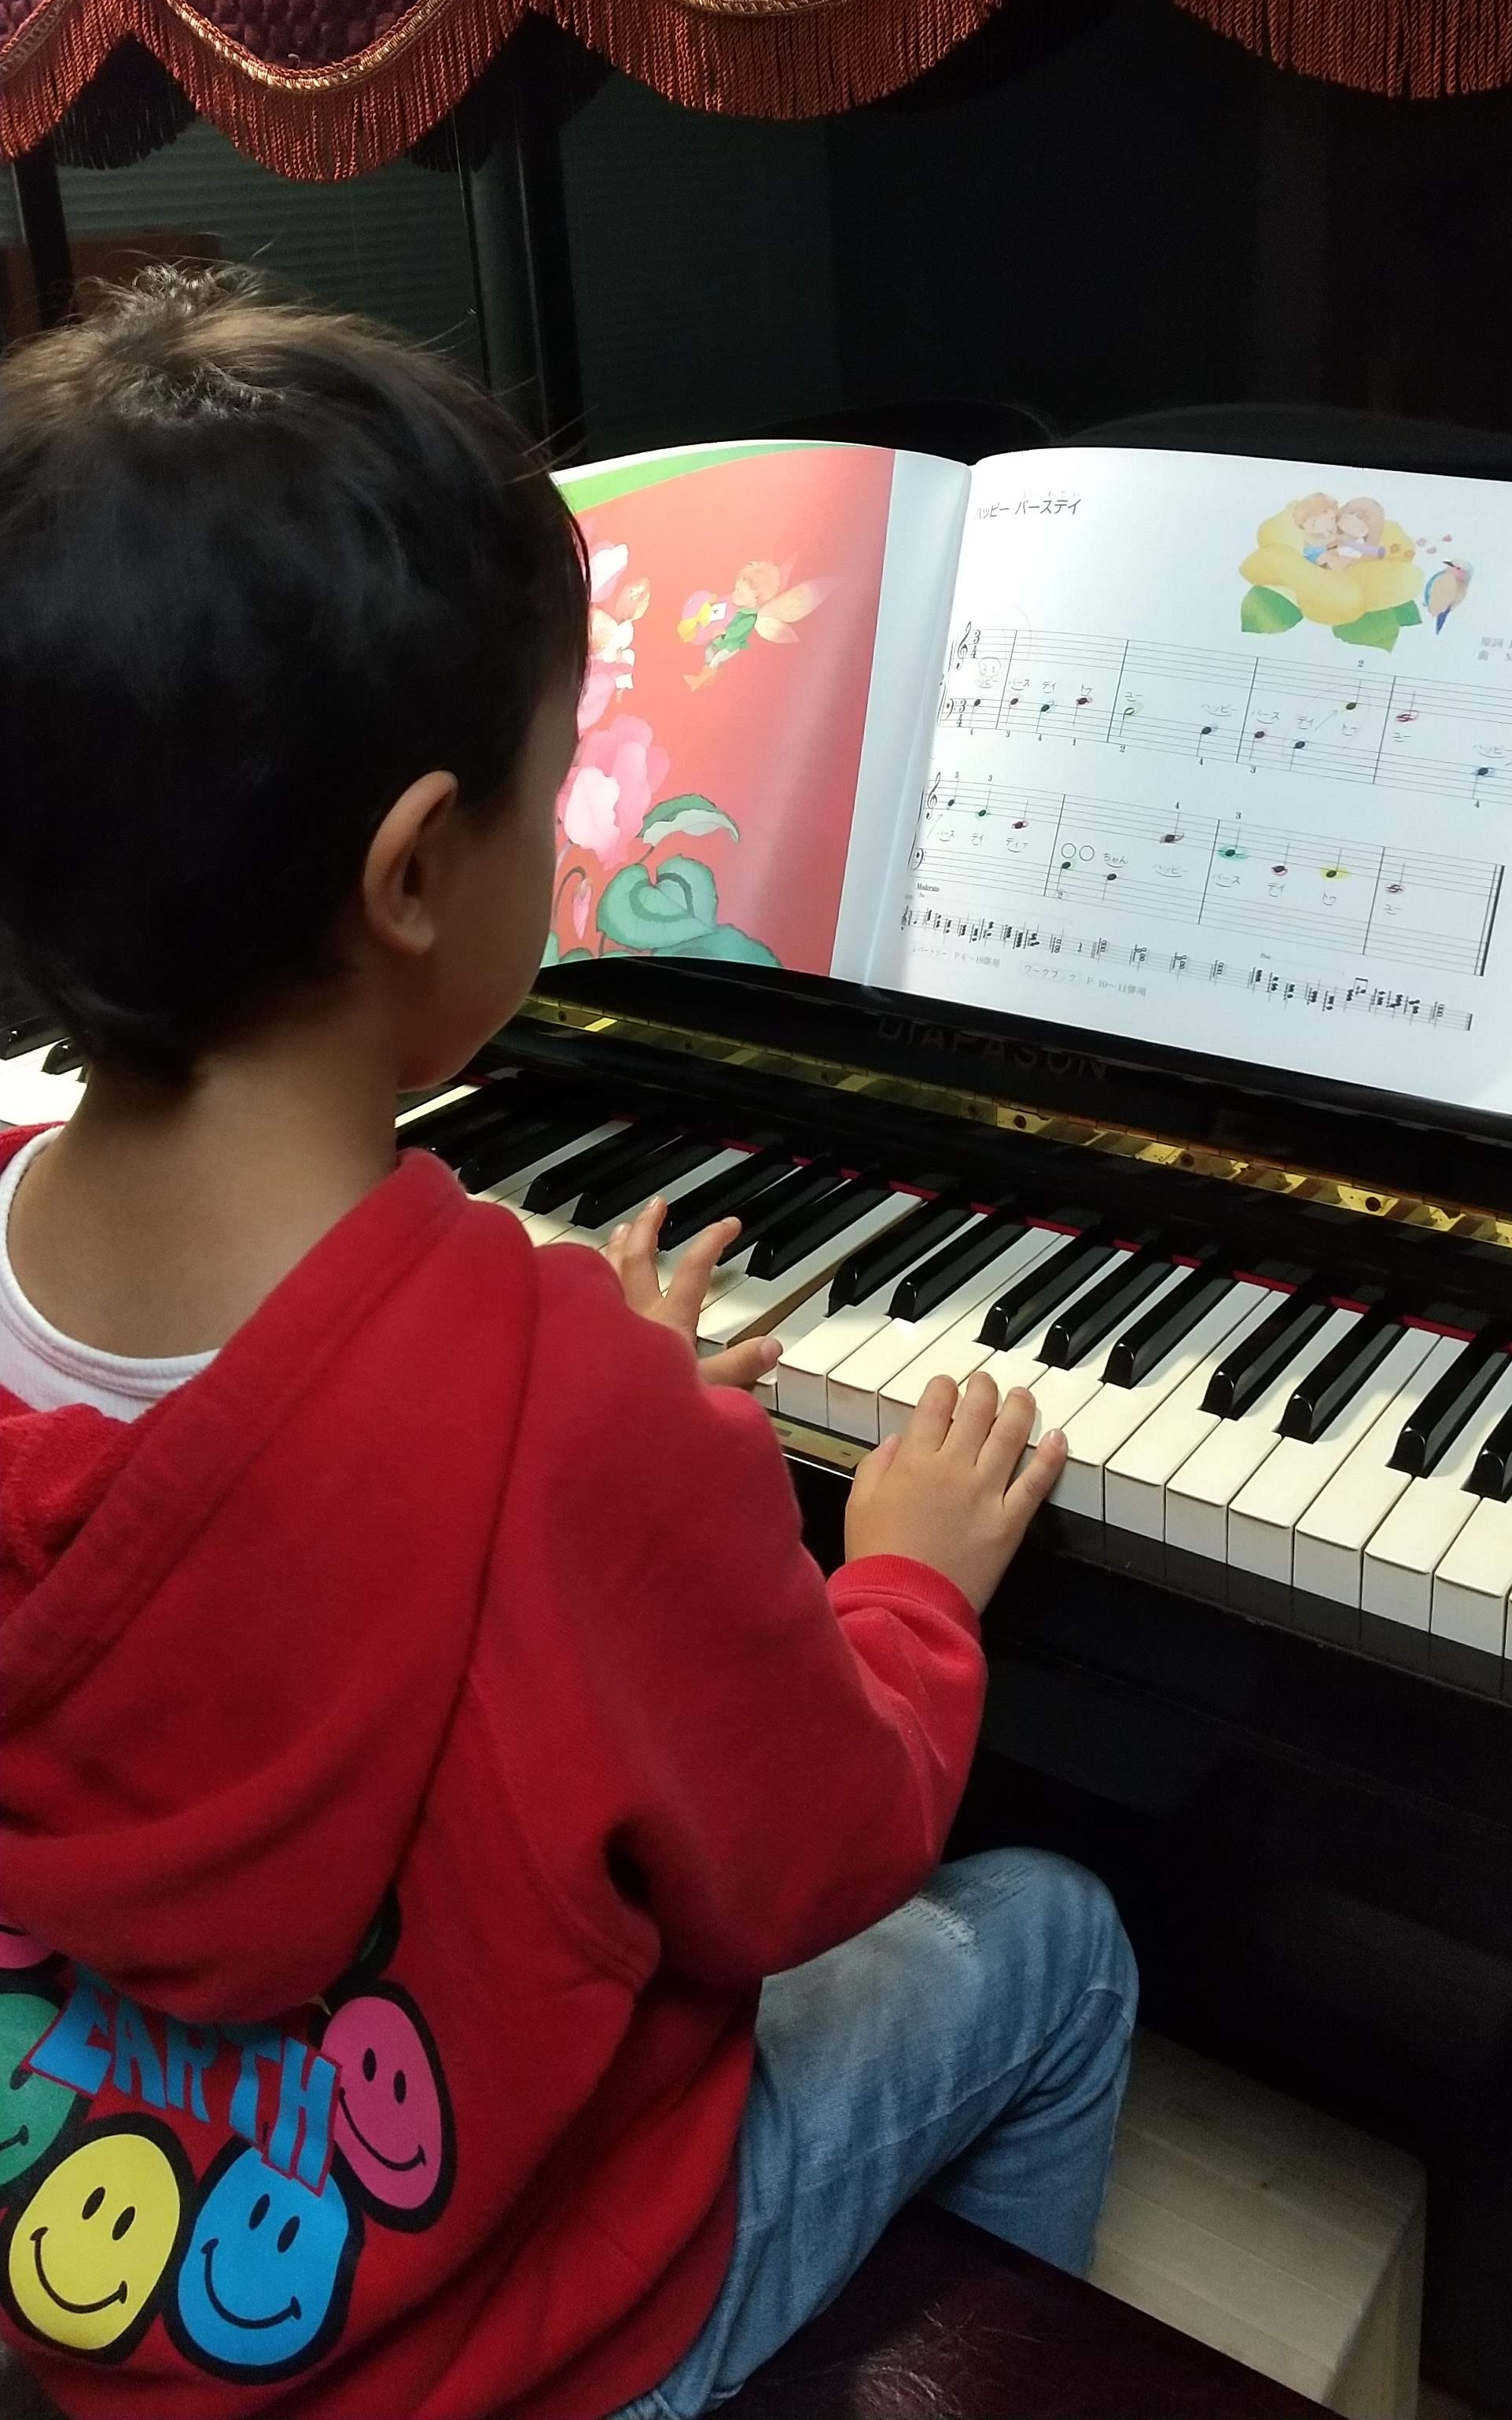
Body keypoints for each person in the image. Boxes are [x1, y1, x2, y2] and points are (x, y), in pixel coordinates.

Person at [0, 271, 1137, 2420]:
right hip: (505, 2336)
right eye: (558, 787)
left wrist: (530, 1393)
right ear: (420, 871)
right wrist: (900, 1588)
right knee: (1059, 1940)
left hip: (109, 2273)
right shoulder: (566, 1420)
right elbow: (810, 1865)